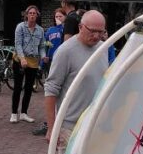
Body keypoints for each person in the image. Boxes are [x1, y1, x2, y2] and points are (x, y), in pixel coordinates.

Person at [43, 10, 108, 144]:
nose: (96, 36)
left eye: (101, 32)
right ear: (80, 27)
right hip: (70, 127)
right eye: (92, 31)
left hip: (94, 124)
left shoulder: (103, 48)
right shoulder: (65, 51)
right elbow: (51, 89)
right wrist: (52, 128)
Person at [11, 5, 48, 124]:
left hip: (33, 61)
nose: (32, 15)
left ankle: (24, 113)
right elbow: (18, 44)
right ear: (26, 15)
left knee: (28, 88)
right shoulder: (20, 27)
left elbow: (41, 46)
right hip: (20, 59)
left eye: (34, 13)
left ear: (37, 15)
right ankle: (14, 113)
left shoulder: (40, 30)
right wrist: (22, 58)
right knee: (17, 87)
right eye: (30, 13)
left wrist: (43, 56)